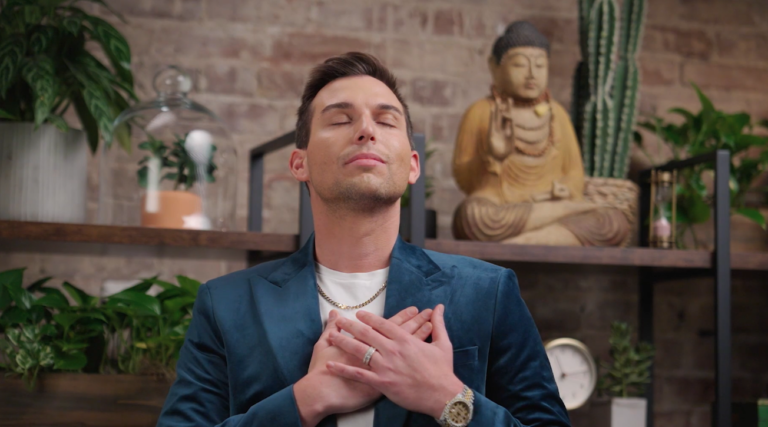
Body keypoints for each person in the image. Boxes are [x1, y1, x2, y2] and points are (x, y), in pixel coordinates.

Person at [157, 52, 571, 427]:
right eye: (340, 119)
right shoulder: (227, 304)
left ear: (412, 166)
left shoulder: (488, 293)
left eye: (386, 120)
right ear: (298, 163)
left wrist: (446, 397)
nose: (366, 130)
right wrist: (304, 400)